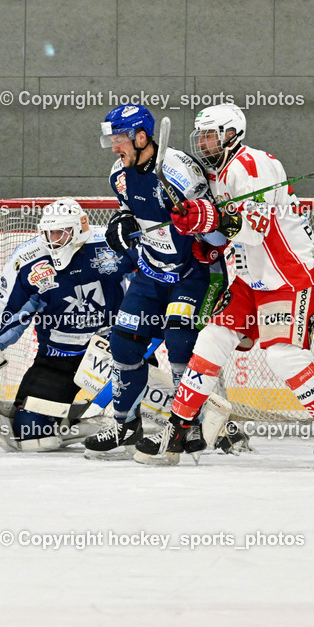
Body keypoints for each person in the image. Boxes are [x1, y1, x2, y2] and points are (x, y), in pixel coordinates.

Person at [134, 103, 314, 467]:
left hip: (287, 277)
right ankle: (179, 428)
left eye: (210, 135)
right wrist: (204, 238)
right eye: (201, 136)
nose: (203, 142)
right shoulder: (218, 174)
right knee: (210, 340)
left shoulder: (252, 165)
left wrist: (208, 217)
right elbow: (227, 235)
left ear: (230, 133)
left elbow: (255, 229)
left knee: (281, 354)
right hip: (248, 280)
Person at [85, 104, 239, 460]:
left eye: (119, 139)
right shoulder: (119, 174)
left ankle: (192, 425)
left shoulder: (182, 173)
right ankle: (125, 424)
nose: (114, 147)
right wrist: (121, 221)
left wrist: (201, 221)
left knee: (180, 344)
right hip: (151, 272)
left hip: (194, 272)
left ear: (141, 137)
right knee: (123, 345)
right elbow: (131, 208)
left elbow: (220, 238)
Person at [0, 198, 135, 451]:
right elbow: (10, 313)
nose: (53, 239)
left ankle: (122, 421)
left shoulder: (113, 243)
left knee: (148, 418)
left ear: (79, 228)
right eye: (48, 232)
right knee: (30, 433)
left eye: (60, 232)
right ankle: (81, 423)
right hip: (57, 359)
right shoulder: (27, 260)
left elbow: (149, 286)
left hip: (113, 352)